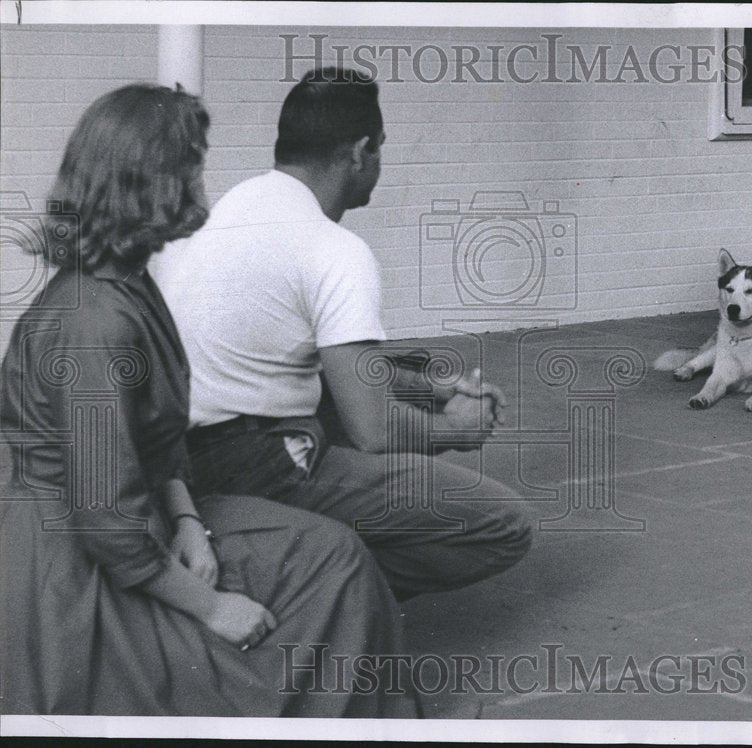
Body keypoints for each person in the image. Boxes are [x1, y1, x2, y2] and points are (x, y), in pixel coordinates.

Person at [0, 83, 418, 717]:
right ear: (150, 181)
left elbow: (155, 445)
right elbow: (103, 518)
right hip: (71, 565)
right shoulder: (91, 322)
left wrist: (190, 522)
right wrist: (214, 609)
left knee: (331, 551)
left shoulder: (128, 280)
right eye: (190, 165)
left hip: (139, 520)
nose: (200, 181)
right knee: (324, 575)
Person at [152, 67, 532, 602]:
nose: (377, 161)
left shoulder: (232, 207)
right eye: (379, 149)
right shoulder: (333, 250)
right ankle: (308, 584)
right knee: (504, 522)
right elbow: (372, 428)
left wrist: (433, 391)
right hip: (254, 463)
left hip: (177, 458)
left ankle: (301, 555)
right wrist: (455, 428)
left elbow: (329, 366)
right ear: (359, 153)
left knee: (352, 401)